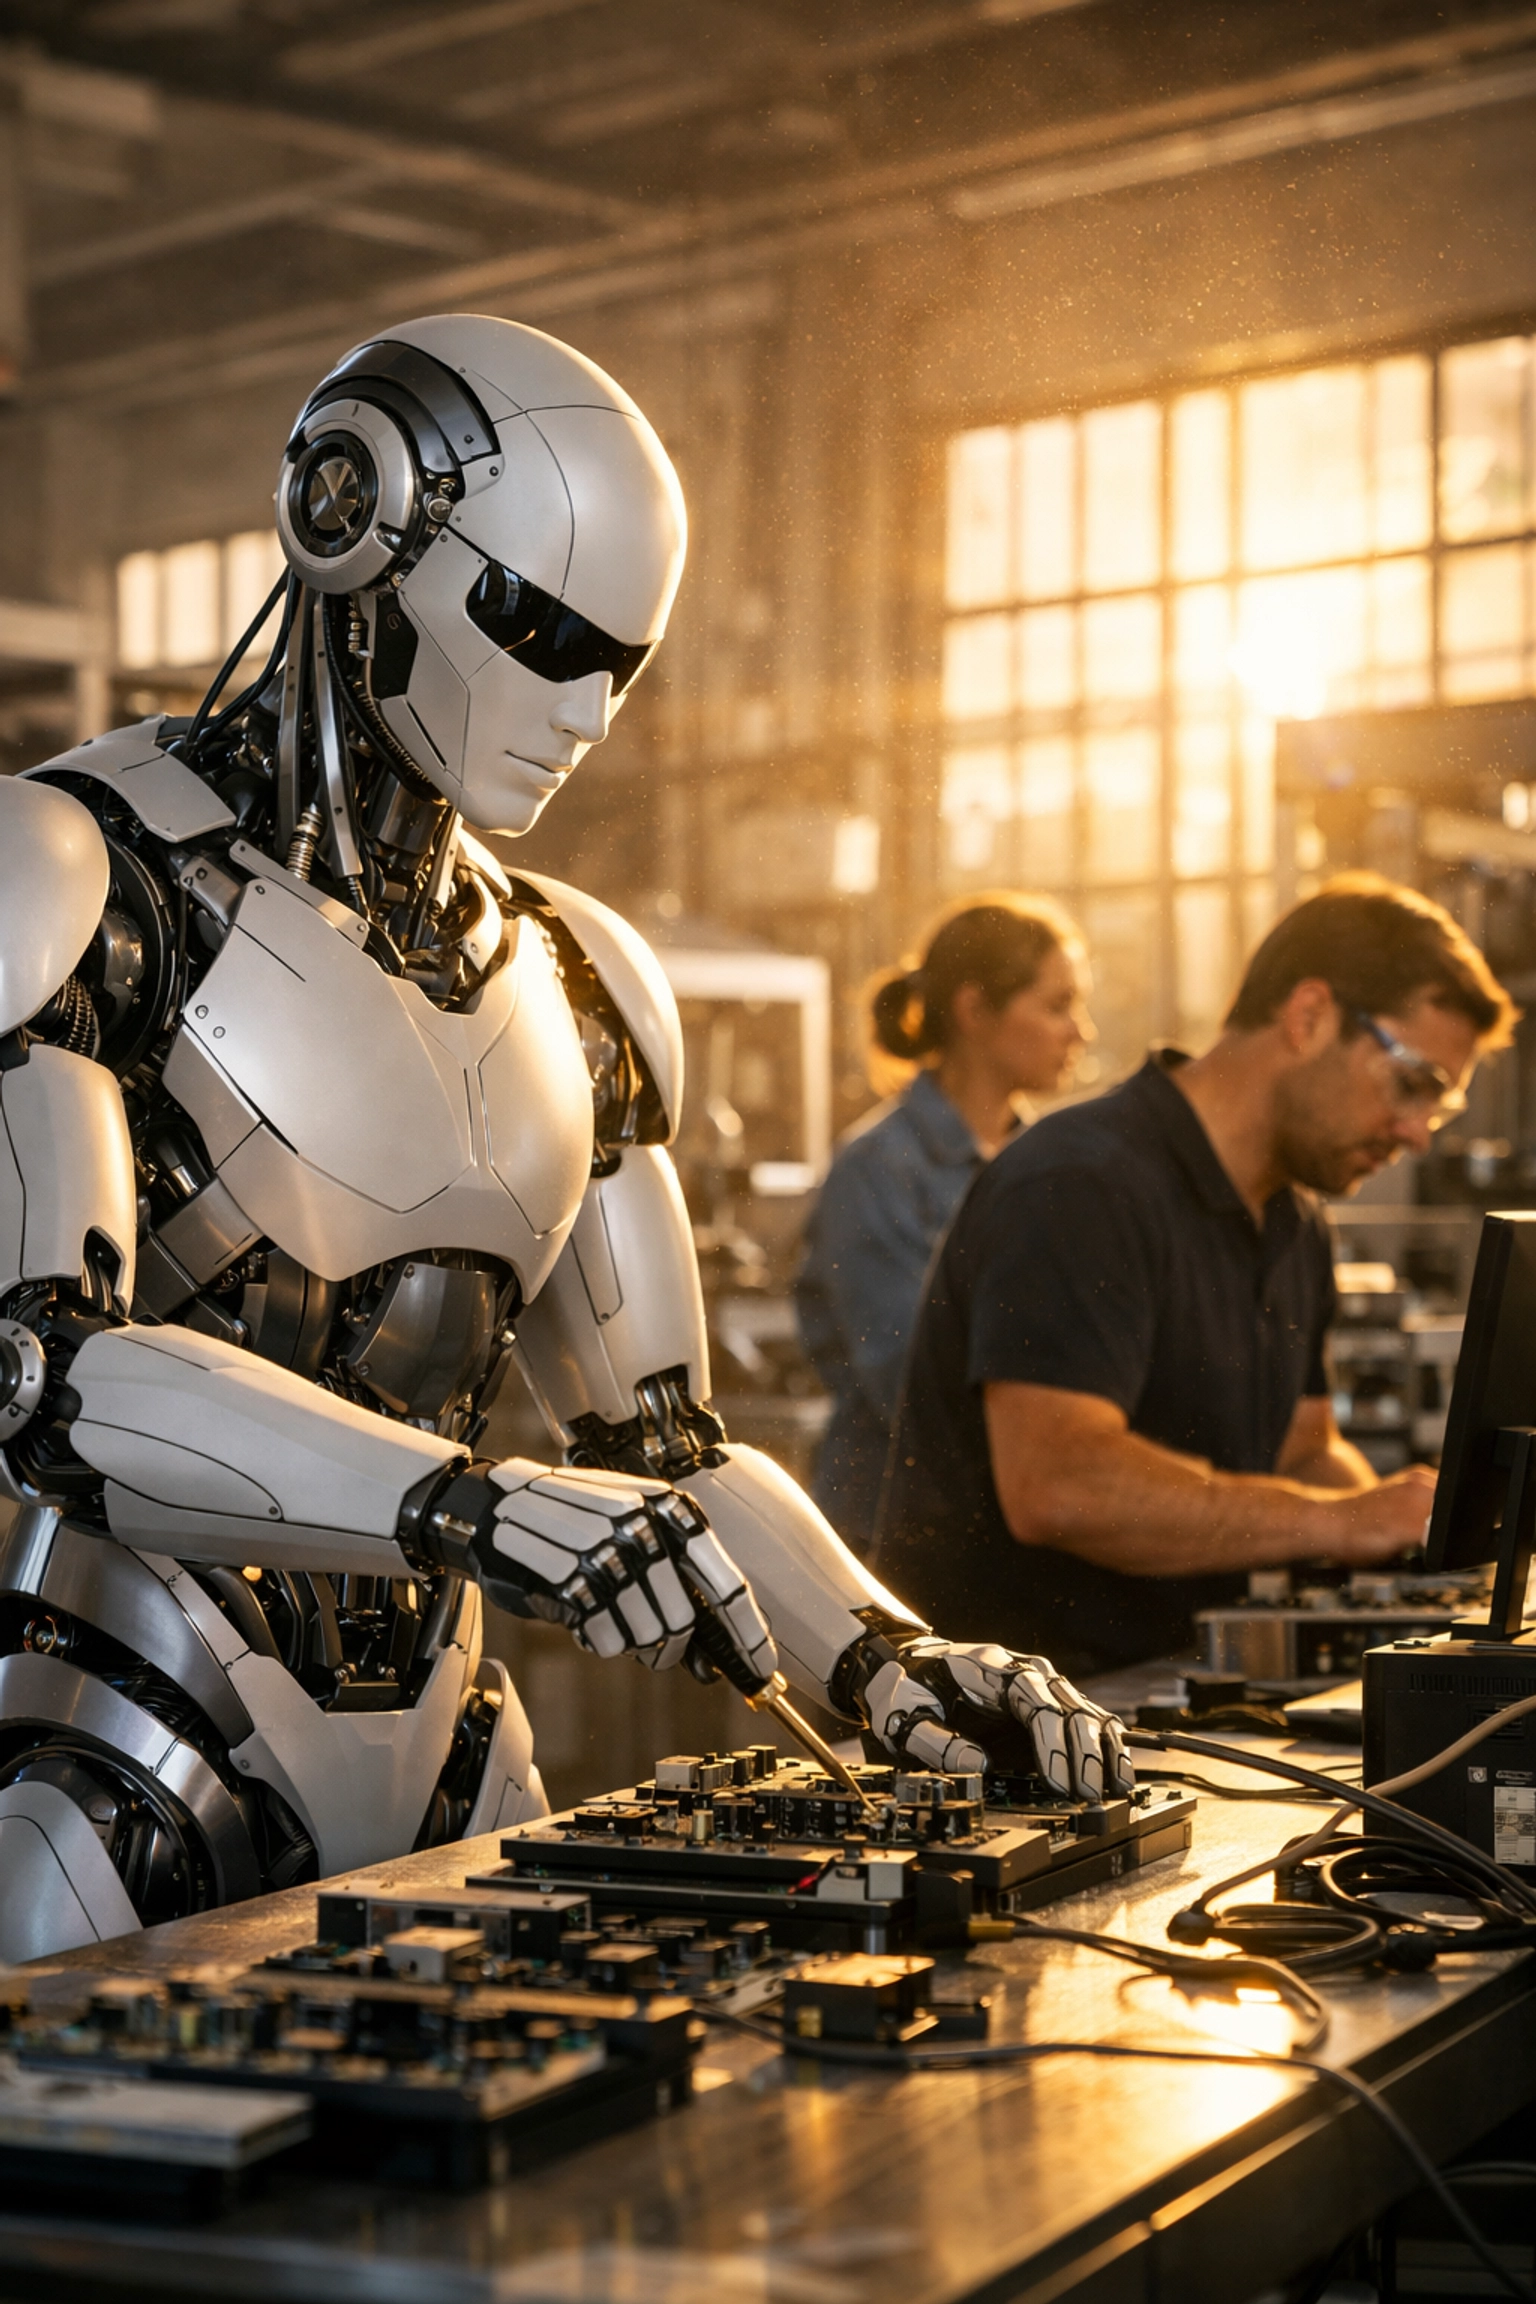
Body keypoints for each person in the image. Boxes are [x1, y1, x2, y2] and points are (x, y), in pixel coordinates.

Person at [0, 314, 1129, 1963]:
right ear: (353, 521)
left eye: (620, 660)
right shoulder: (84, 872)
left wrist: (892, 1661)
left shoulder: (580, 973)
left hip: (460, 1767)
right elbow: (49, 1381)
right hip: (118, 1745)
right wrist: (477, 1505)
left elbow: (657, 1445)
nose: (585, 706)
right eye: (538, 631)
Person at [877, 874, 1517, 1677]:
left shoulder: (1295, 1221)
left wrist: (1424, 1537)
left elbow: (1302, 1453)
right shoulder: (1081, 1184)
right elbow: (1061, 1485)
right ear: (1309, 1016)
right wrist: (1341, 1523)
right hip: (1003, 1731)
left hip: (1167, 1695)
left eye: (1441, 1106)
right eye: (1414, 1083)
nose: (1419, 1133)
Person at [796, 895, 1090, 1551]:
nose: (1081, 1031)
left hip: (1008, 1533)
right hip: (893, 1536)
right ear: (975, 1009)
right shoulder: (877, 1171)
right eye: (1057, 1005)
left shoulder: (1052, 1172)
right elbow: (908, 1383)